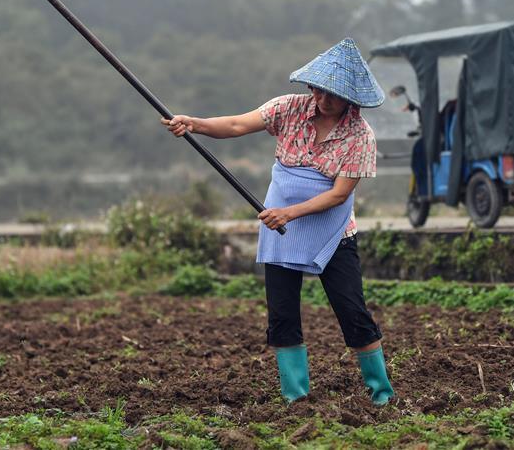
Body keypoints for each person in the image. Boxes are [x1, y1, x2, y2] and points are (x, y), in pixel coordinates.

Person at [162, 38, 394, 406]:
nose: (323, 99)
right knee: (282, 315)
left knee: (353, 312)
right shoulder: (289, 109)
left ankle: (381, 394)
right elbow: (238, 124)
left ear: (352, 97)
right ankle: (295, 397)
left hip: (331, 232)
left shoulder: (360, 136)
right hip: (278, 226)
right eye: (318, 90)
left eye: (333, 94)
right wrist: (196, 124)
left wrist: (290, 212)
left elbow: (338, 195)